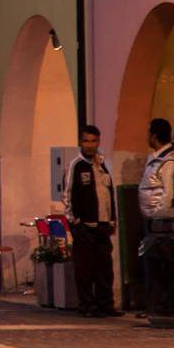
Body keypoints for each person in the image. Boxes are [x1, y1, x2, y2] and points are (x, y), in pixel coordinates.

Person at [64, 125, 119, 318]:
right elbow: (68, 195)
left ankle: (105, 304)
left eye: (93, 141)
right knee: (85, 268)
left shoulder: (102, 165)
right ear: (80, 142)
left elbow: (108, 194)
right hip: (85, 226)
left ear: (99, 142)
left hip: (103, 225)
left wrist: (112, 220)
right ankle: (87, 305)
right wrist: (75, 222)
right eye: (86, 141)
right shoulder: (76, 166)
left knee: (105, 268)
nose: (90, 145)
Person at [138, 117, 174, 218]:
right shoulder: (156, 157)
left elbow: (168, 193)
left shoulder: (168, 160)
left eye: (148, 133)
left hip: (158, 218)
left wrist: (159, 215)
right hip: (150, 218)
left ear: (154, 136)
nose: (147, 137)